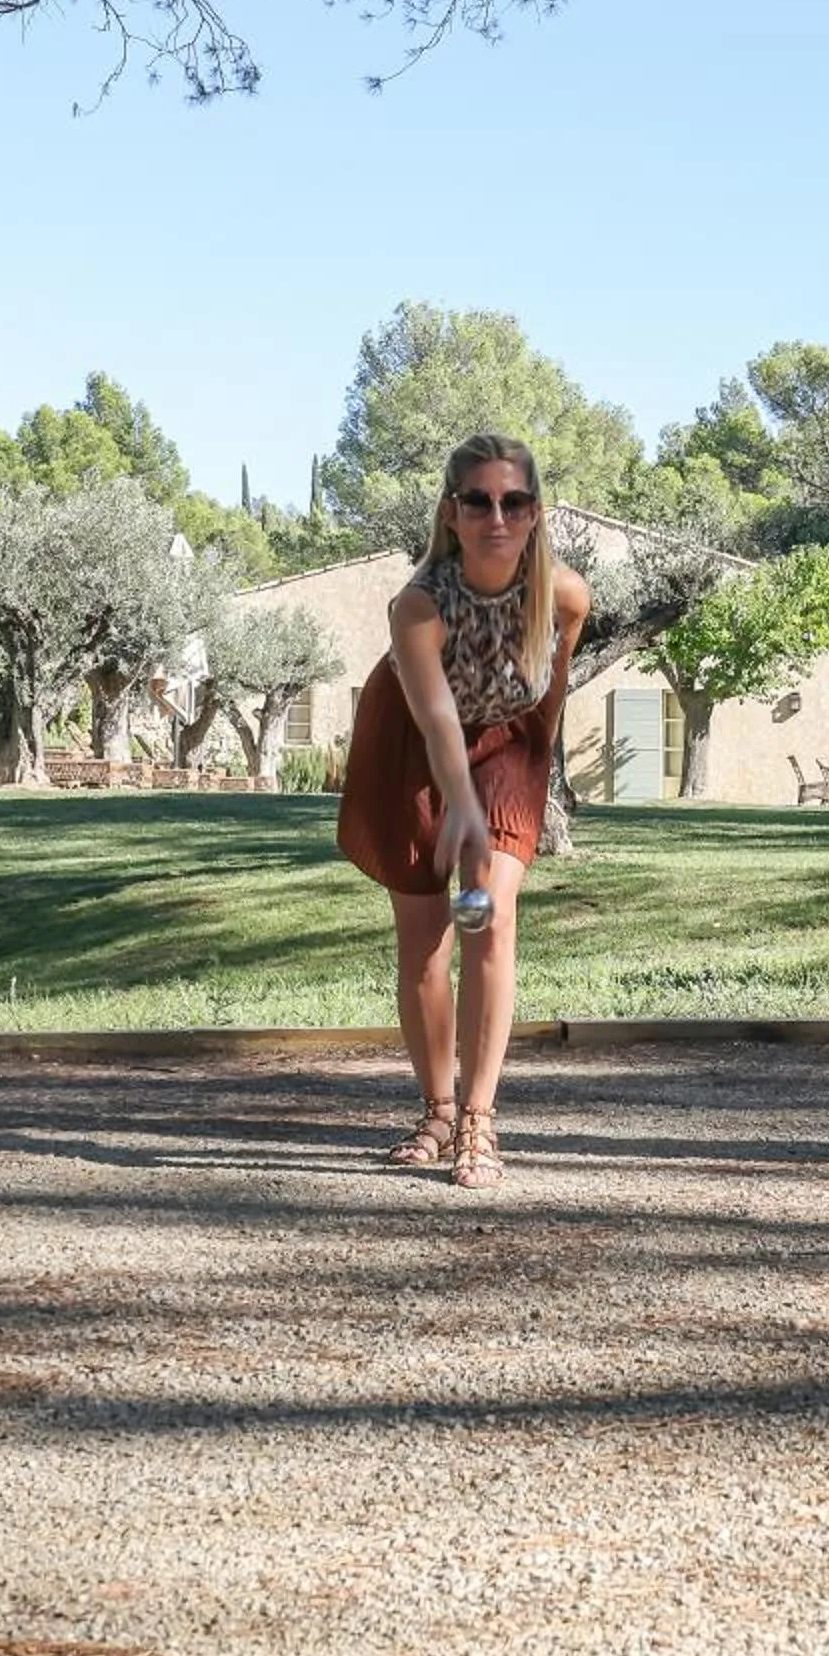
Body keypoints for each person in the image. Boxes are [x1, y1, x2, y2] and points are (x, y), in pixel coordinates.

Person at [337, 434, 589, 1187]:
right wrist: (458, 803)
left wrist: (524, 774)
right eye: (478, 501)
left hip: (508, 743)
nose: (496, 516)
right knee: (426, 938)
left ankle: (479, 1117)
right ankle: (438, 1112)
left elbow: (551, 687)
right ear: (451, 513)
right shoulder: (419, 605)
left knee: (489, 912)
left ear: (535, 512)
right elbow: (438, 719)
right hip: (413, 745)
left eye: (514, 501)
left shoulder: (564, 595)